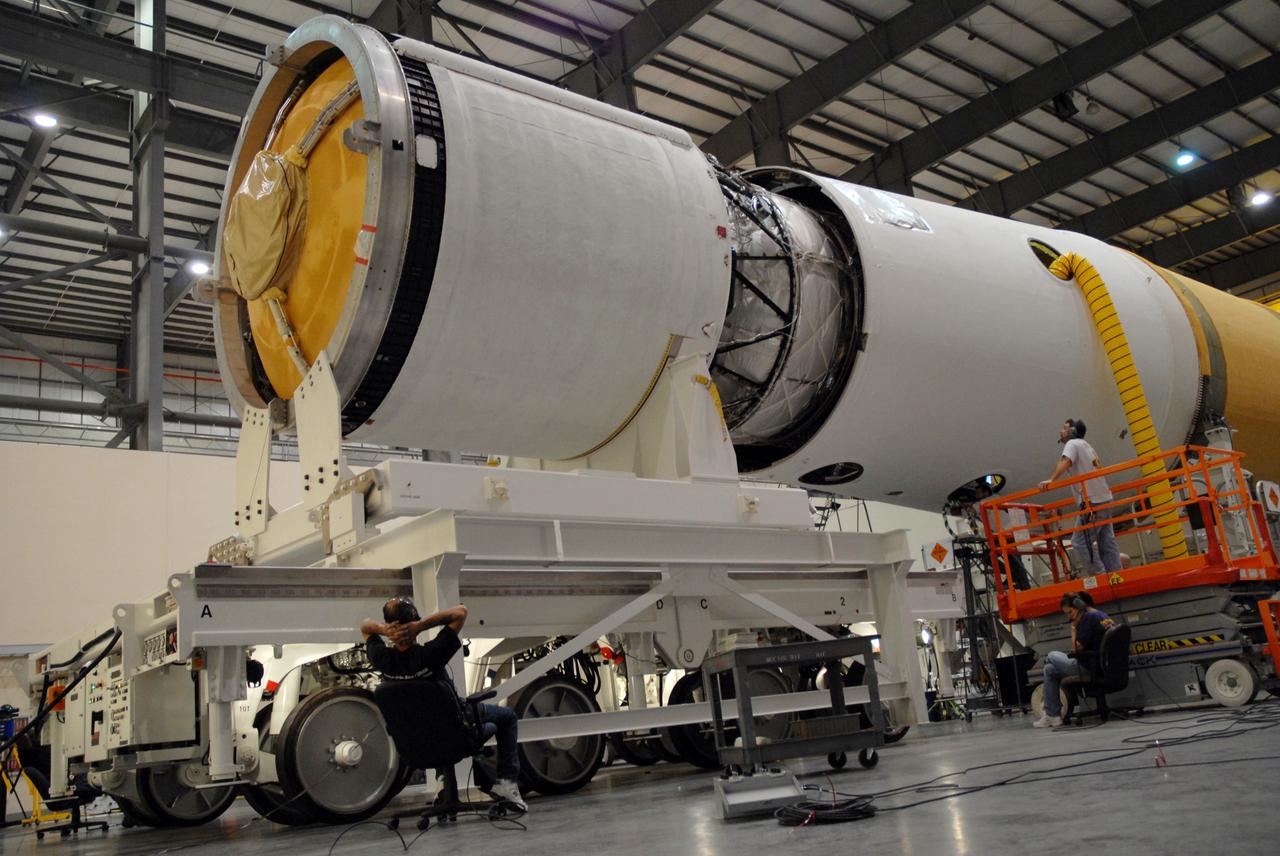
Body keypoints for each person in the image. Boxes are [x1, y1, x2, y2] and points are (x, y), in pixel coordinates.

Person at [360, 597, 527, 812]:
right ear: (414, 621)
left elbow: (365, 625)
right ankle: (506, 785)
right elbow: (461, 612)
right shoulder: (432, 654)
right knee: (506, 717)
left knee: (430, 720)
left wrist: (385, 630)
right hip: (455, 734)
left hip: (414, 744)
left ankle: (443, 785)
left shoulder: (381, 658)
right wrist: (419, 627)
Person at [1040, 418, 1122, 575]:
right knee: (1107, 542)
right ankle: (1116, 576)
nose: (1061, 431)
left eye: (1064, 428)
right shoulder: (1087, 445)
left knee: (1079, 542)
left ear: (1072, 432)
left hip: (1092, 503)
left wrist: (1052, 480)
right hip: (1104, 498)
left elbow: (1066, 461)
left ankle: (1100, 576)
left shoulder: (1072, 444)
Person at [1033, 593, 1116, 728]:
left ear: (1079, 606)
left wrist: (1073, 628)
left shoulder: (1088, 618)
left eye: (1070, 612)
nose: (1069, 617)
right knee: (1049, 669)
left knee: (1051, 656)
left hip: (1088, 667)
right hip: (1101, 666)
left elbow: (1077, 648)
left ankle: (1052, 714)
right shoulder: (1101, 615)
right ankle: (1053, 716)